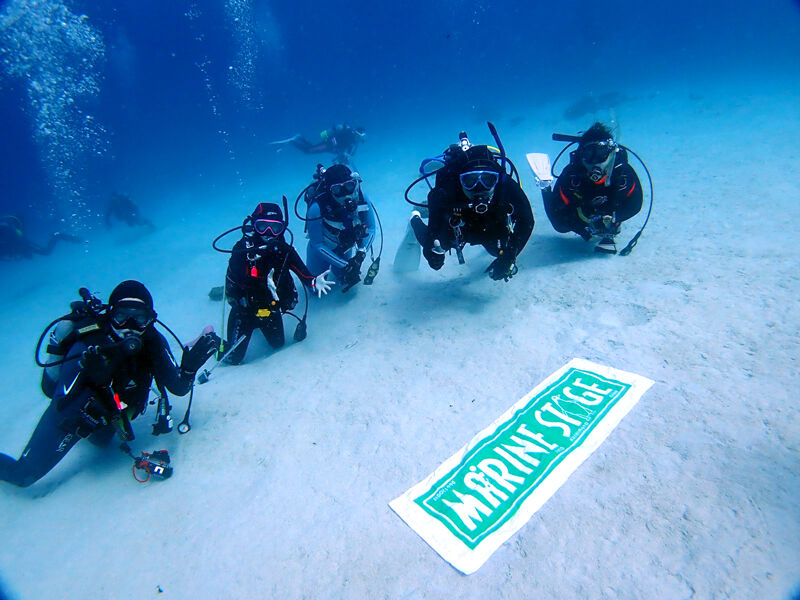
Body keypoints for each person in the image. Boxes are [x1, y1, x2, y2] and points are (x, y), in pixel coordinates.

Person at [0, 280, 219, 487]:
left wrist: (189, 368)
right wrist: (94, 377)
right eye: (121, 316)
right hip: (73, 418)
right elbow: (59, 401)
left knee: (102, 443)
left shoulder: (153, 343)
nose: (130, 326)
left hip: (111, 417)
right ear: (110, 315)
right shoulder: (89, 343)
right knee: (23, 476)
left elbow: (178, 388)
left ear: (151, 319)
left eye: (140, 318)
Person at [408, 137, 534, 281]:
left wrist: (509, 256)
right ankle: (415, 216)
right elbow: (433, 230)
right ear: (460, 180)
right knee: (439, 245)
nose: (479, 188)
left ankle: (463, 151)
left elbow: (527, 220)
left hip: (490, 227)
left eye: (487, 180)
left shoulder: (504, 185)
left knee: (499, 251)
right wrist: (429, 248)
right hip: (459, 227)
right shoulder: (446, 191)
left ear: (496, 180)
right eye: (470, 181)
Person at [224, 201, 334, 365]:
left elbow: (303, 273)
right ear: (254, 226)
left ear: (282, 229)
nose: (269, 232)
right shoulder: (242, 250)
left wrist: (313, 282)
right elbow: (233, 283)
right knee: (233, 358)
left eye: (275, 228)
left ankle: (257, 325)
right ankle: (209, 338)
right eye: (262, 226)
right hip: (244, 311)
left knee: (278, 344)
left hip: (270, 308)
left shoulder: (284, 251)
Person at [542, 122, 643, 254]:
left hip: (611, 209)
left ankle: (609, 225)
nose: (595, 161)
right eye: (589, 154)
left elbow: (635, 204)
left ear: (611, 153)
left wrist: (614, 218)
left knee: (611, 219)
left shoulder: (623, 173)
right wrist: (581, 228)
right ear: (581, 155)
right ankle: (544, 186)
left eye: (601, 153)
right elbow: (557, 216)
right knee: (561, 227)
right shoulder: (572, 176)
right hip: (581, 213)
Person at [303, 164, 377, 293]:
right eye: (337, 189)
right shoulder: (317, 208)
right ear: (329, 190)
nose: (345, 193)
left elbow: (371, 229)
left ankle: (339, 268)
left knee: (344, 281)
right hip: (321, 250)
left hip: (345, 248)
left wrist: (360, 253)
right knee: (314, 289)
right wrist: (345, 265)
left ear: (354, 183)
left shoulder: (362, 198)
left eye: (349, 186)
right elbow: (317, 244)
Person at [271, 124, 366, 165]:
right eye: (360, 136)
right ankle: (293, 141)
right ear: (356, 133)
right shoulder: (348, 134)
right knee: (308, 150)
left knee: (311, 148)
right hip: (328, 145)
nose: (360, 139)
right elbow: (337, 140)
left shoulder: (353, 141)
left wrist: (344, 156)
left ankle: (299, 138)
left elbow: (346, 151)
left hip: (330, 147)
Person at [0, 215, 83, 260]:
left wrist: (23, 251)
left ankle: (57, 236)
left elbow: (12, 243)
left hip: (24, 245)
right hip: (21, 246)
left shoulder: (4, 234)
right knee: (45, 252)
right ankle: (59, 236)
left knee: (45, 252)